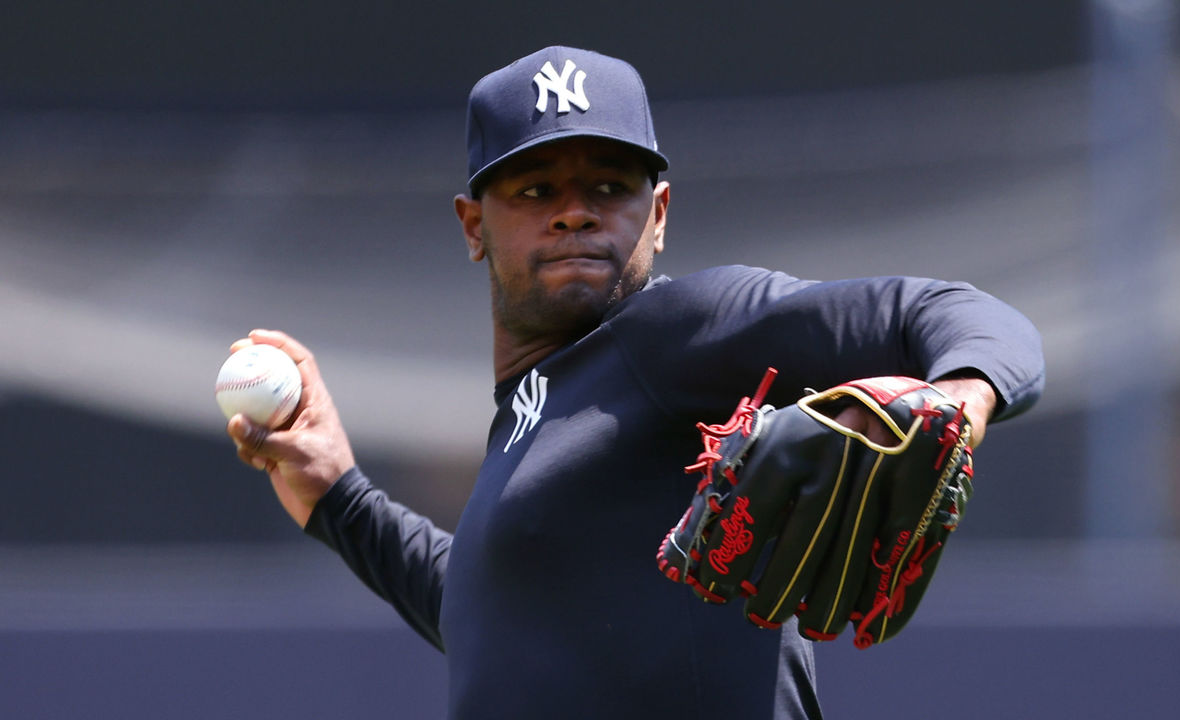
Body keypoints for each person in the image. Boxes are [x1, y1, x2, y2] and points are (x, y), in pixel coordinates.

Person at [226, 46, 1044, 719]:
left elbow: (957, 312)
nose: (575, 212)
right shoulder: (532, 411)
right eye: (536, 189)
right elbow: (504, 623)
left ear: (657, 214)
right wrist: (336, 496)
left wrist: (963, 396)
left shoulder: (684, 330)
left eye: (608, 188)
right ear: (474, 225)